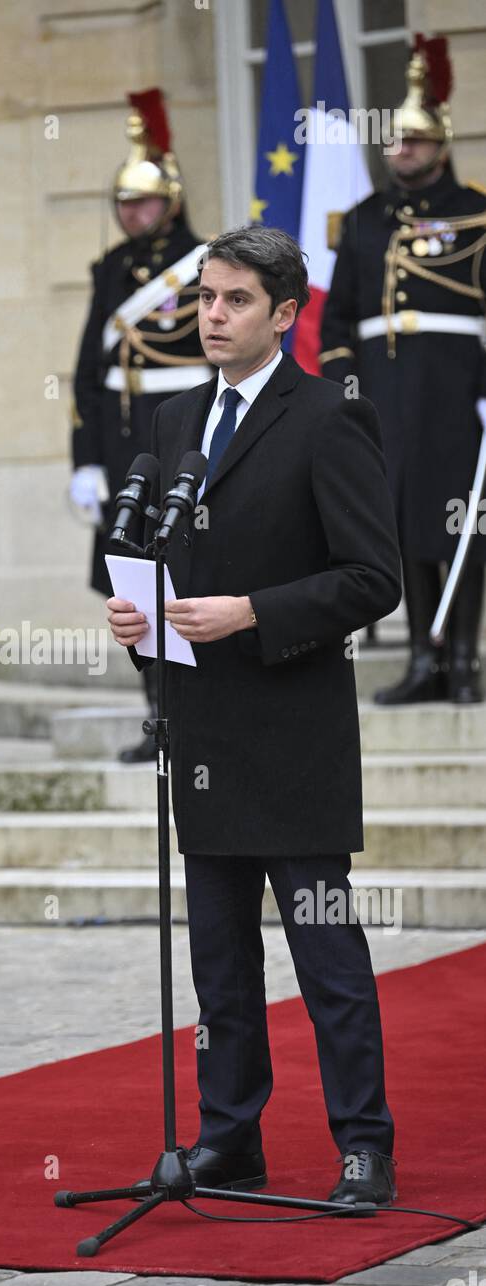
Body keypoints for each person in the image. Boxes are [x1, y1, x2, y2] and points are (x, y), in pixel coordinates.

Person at [107, 226, 403, 1207]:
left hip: (292, 730)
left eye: (233, 300)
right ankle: (229, 1136)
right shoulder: (170, 423)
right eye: (203, 298)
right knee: (220, 964)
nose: (211, 316)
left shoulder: (325, 417)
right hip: (200, 731)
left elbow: (370, 578)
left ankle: (362, 1142)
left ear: (283, 313)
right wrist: (133, 610)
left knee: (325, 958)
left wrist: (252, 612)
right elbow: (153, 542)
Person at [321, 35, 486, 704]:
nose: (402, 151)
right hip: (384, 395)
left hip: (457, 393)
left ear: (440, 144)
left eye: (415, 141)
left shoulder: (476, 214)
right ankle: (424, 657)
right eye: (394, 141)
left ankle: (466, 662)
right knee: (406, 525)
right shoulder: (364, 220)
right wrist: (342, 395)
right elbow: (337, 322)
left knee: (462, 523)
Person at [70, 88, 212, 761]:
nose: (133, 213)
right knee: (136, 581)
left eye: (145, 202)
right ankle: (158, 718)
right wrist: (85, 459)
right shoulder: (110, 272)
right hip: (128, 447)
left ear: (172, 201)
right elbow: (86, 375)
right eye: (124, 203)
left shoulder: (203, 264)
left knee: (191, 574)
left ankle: (199, 713)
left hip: (186, 438)